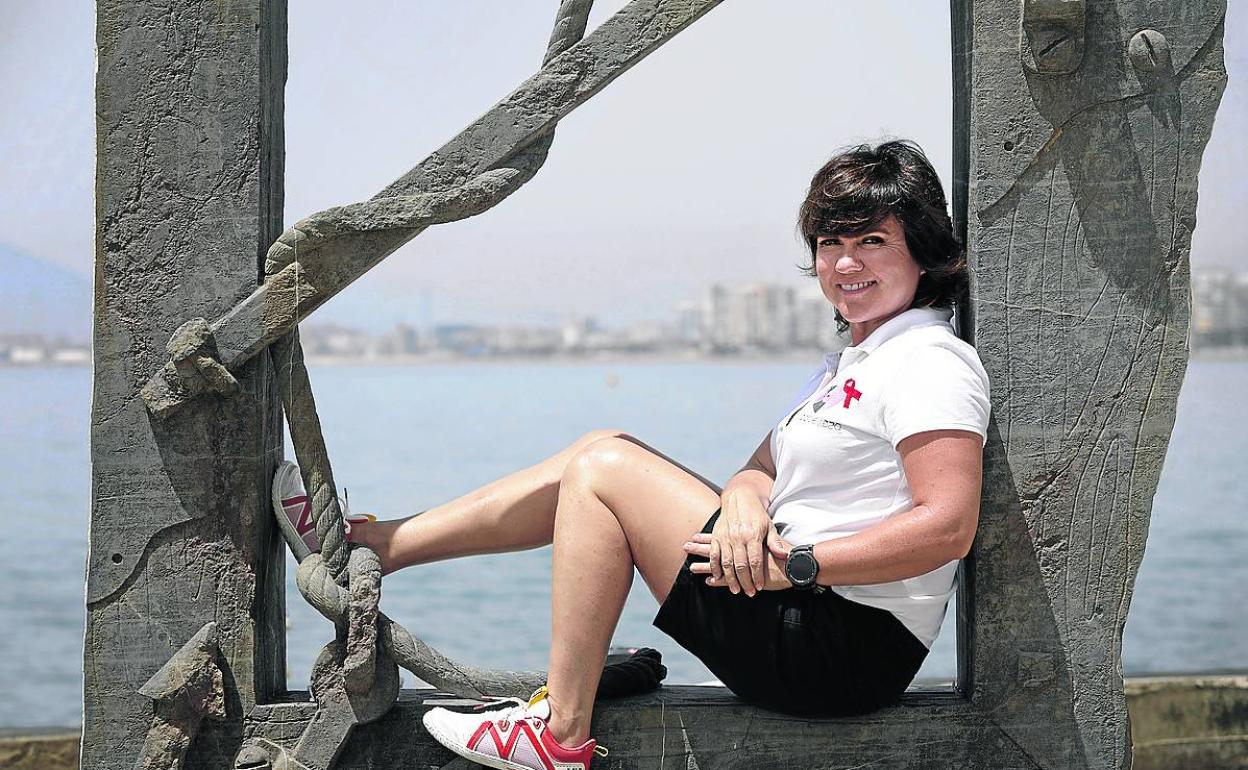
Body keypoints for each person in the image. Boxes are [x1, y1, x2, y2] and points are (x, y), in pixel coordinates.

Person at [272, 139, 990, 770]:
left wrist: (796, 566)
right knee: (602, 448)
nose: (846, 262)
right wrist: (744, 502)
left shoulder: (930, 362)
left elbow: (948, 526)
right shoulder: (855, 364)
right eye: (831, 243)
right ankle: (379, 543)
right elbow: (760, 468)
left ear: (923, 253)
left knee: (603, 471)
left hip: (835, 646)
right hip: (794, 606)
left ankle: (561, 734)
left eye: (873, 241)